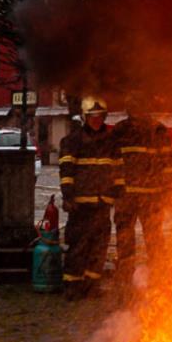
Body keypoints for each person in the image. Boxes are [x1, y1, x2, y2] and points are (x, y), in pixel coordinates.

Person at [57, 97, 124, 300]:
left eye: (100, 116)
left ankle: (91, 286)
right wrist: (68, 196)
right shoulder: (72, 141)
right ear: (85, 118)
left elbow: (118, 169)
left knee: (99, 246)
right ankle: (72, 287)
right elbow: (66, 171)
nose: (97, 120)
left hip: (102, 203)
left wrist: (117, 193)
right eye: (93, 117)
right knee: (78, 246)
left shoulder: (111, 141)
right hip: (80, 205)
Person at [111, 97, 172, 286]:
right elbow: (113, 162)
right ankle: (126, 277)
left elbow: (167, 164)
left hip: (147, 196)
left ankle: (157, 275)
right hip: (132, 196)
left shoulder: (157, 130)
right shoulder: (122, 130)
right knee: (126, 239)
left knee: (151, 238)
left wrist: (167, 189)